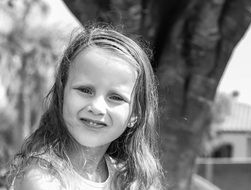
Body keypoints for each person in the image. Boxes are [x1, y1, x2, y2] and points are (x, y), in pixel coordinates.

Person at [7, 25, 164, 190]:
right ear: (62, 95)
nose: (97, 107)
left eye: (116, 97)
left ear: (135, 114)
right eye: (85, 90)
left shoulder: (128, 180)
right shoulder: (42, 179)